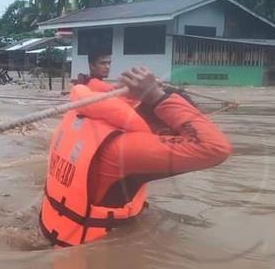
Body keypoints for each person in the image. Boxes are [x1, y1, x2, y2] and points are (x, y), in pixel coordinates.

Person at [40, 66, 232, 247]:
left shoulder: (93, 120)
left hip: (55, 231)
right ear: (165, 129)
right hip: (92, 252)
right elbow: (214, 148)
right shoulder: (126, 150)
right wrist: (157, 96)